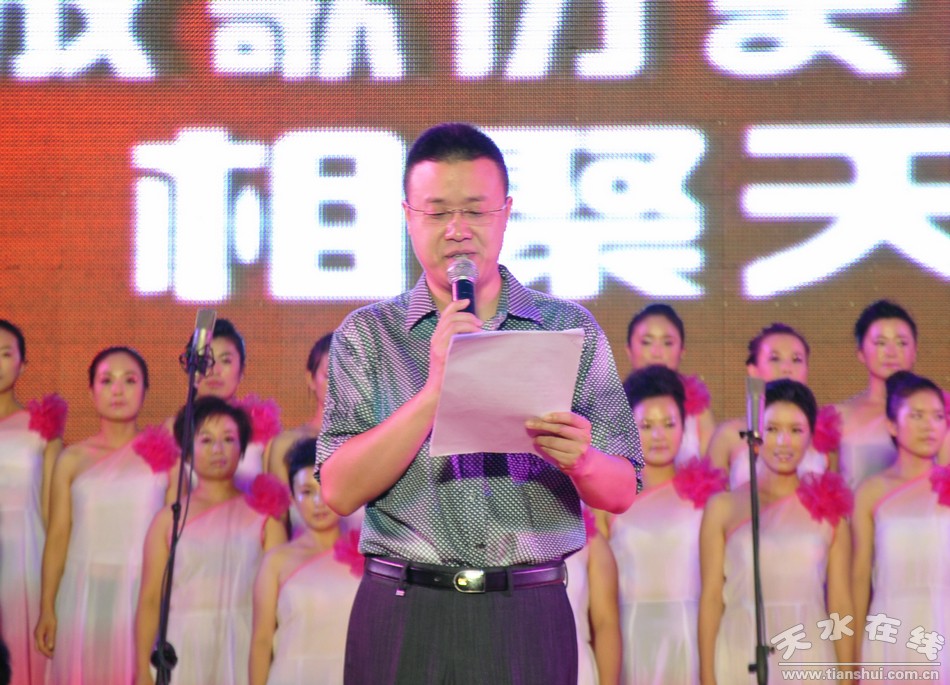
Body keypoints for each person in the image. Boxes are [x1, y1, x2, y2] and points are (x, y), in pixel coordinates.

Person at [315, 122, 642, 684]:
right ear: (408, 216)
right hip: (405, 607)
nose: (458, 229)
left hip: (527, 611)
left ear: (506, 212)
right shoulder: (369, 335)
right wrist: (436, 389)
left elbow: (623, 489)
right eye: (438, 211)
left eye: (475, 210)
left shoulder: (566, 328)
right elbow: (338, 491)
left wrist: (582, 460)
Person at [35, 347, 178, 685]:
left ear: (145, 390)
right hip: (83, 592)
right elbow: (58, 536)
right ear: (91, 391)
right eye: (106, 380)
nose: (118, 390)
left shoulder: (164, 457)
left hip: (143, 595)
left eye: (130, 380)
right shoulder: (72, 459)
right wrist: (47, 606)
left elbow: (174, 540)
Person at [699, 380, 854, 684]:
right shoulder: (723, 507)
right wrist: (707, 675)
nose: (784, 442)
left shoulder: (830, 510)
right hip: (741, 645)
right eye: (772, 429)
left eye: (796, 430)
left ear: (811, 436)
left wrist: (847, 676)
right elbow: (711, 598)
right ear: (755, 435)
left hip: (808, 649)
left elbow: (840, 603)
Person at [135, 397, 287, 685]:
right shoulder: (168, 520)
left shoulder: (265, 517)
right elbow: (151, 599)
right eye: (206, 440)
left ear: (242, 448)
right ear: (187, 451)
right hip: (184, 644)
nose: (218, 449)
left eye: (228, 439)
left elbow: (278, 603)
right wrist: (143, 669)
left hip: (244, 643)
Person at [608, 365, 726, 684]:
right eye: (646, 425)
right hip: (629, 635)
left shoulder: (708, 497)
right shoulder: (609, 501)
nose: (659, 435)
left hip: (691, 635)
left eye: (669, 424)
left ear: (684, 426)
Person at [851, 371, 949, 681]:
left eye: (938, 416)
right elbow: (859, 577)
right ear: (892, 425)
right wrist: (853, 660)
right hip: (891, 624)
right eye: (917, 415)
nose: (929, 425)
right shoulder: (870, 491)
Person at [249, 438, 362, 685]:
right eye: (307, 492)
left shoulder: (366, 556)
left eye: (325, 489)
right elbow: (261, 642)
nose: (319, 502)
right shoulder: (276, 562)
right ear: (292, 498)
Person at [0, 320, 65, 685]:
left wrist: (52, 596)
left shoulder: (41, 428)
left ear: (23, 364)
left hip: (25, 561)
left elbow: (52, 515)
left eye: (5, 354)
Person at [707, 323, 836, 489]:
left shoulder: (827, 436)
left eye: (796, 360)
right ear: (753, 370)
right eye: (775, 358)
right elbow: (712, 499)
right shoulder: (730, 435)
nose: (787, 368)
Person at [168, 318, 281, 491]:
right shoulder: (173, 430)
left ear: (242, 370)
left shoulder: (262, 427)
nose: (215, 370)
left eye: (226, 361)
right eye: (205, 361)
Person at [835, 300, 925, 490]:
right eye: (880, 343)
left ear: (915, 351)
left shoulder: (940, 412)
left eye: (901, 343)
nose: (891, 353)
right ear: (861, 353)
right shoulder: (838, 416)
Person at [625, 304, 715, 463]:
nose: (656, 353)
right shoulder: (609, 408)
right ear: (629, 350)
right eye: (646, 342)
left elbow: (711, 467)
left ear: (682, 352)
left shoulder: (699, 413)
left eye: (667, 343)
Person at [264, 334, 332, 488]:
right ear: (311, 379)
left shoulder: (370, 441)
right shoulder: (286, 444)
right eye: (329, 375)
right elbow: (280, 502)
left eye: (348, 375)